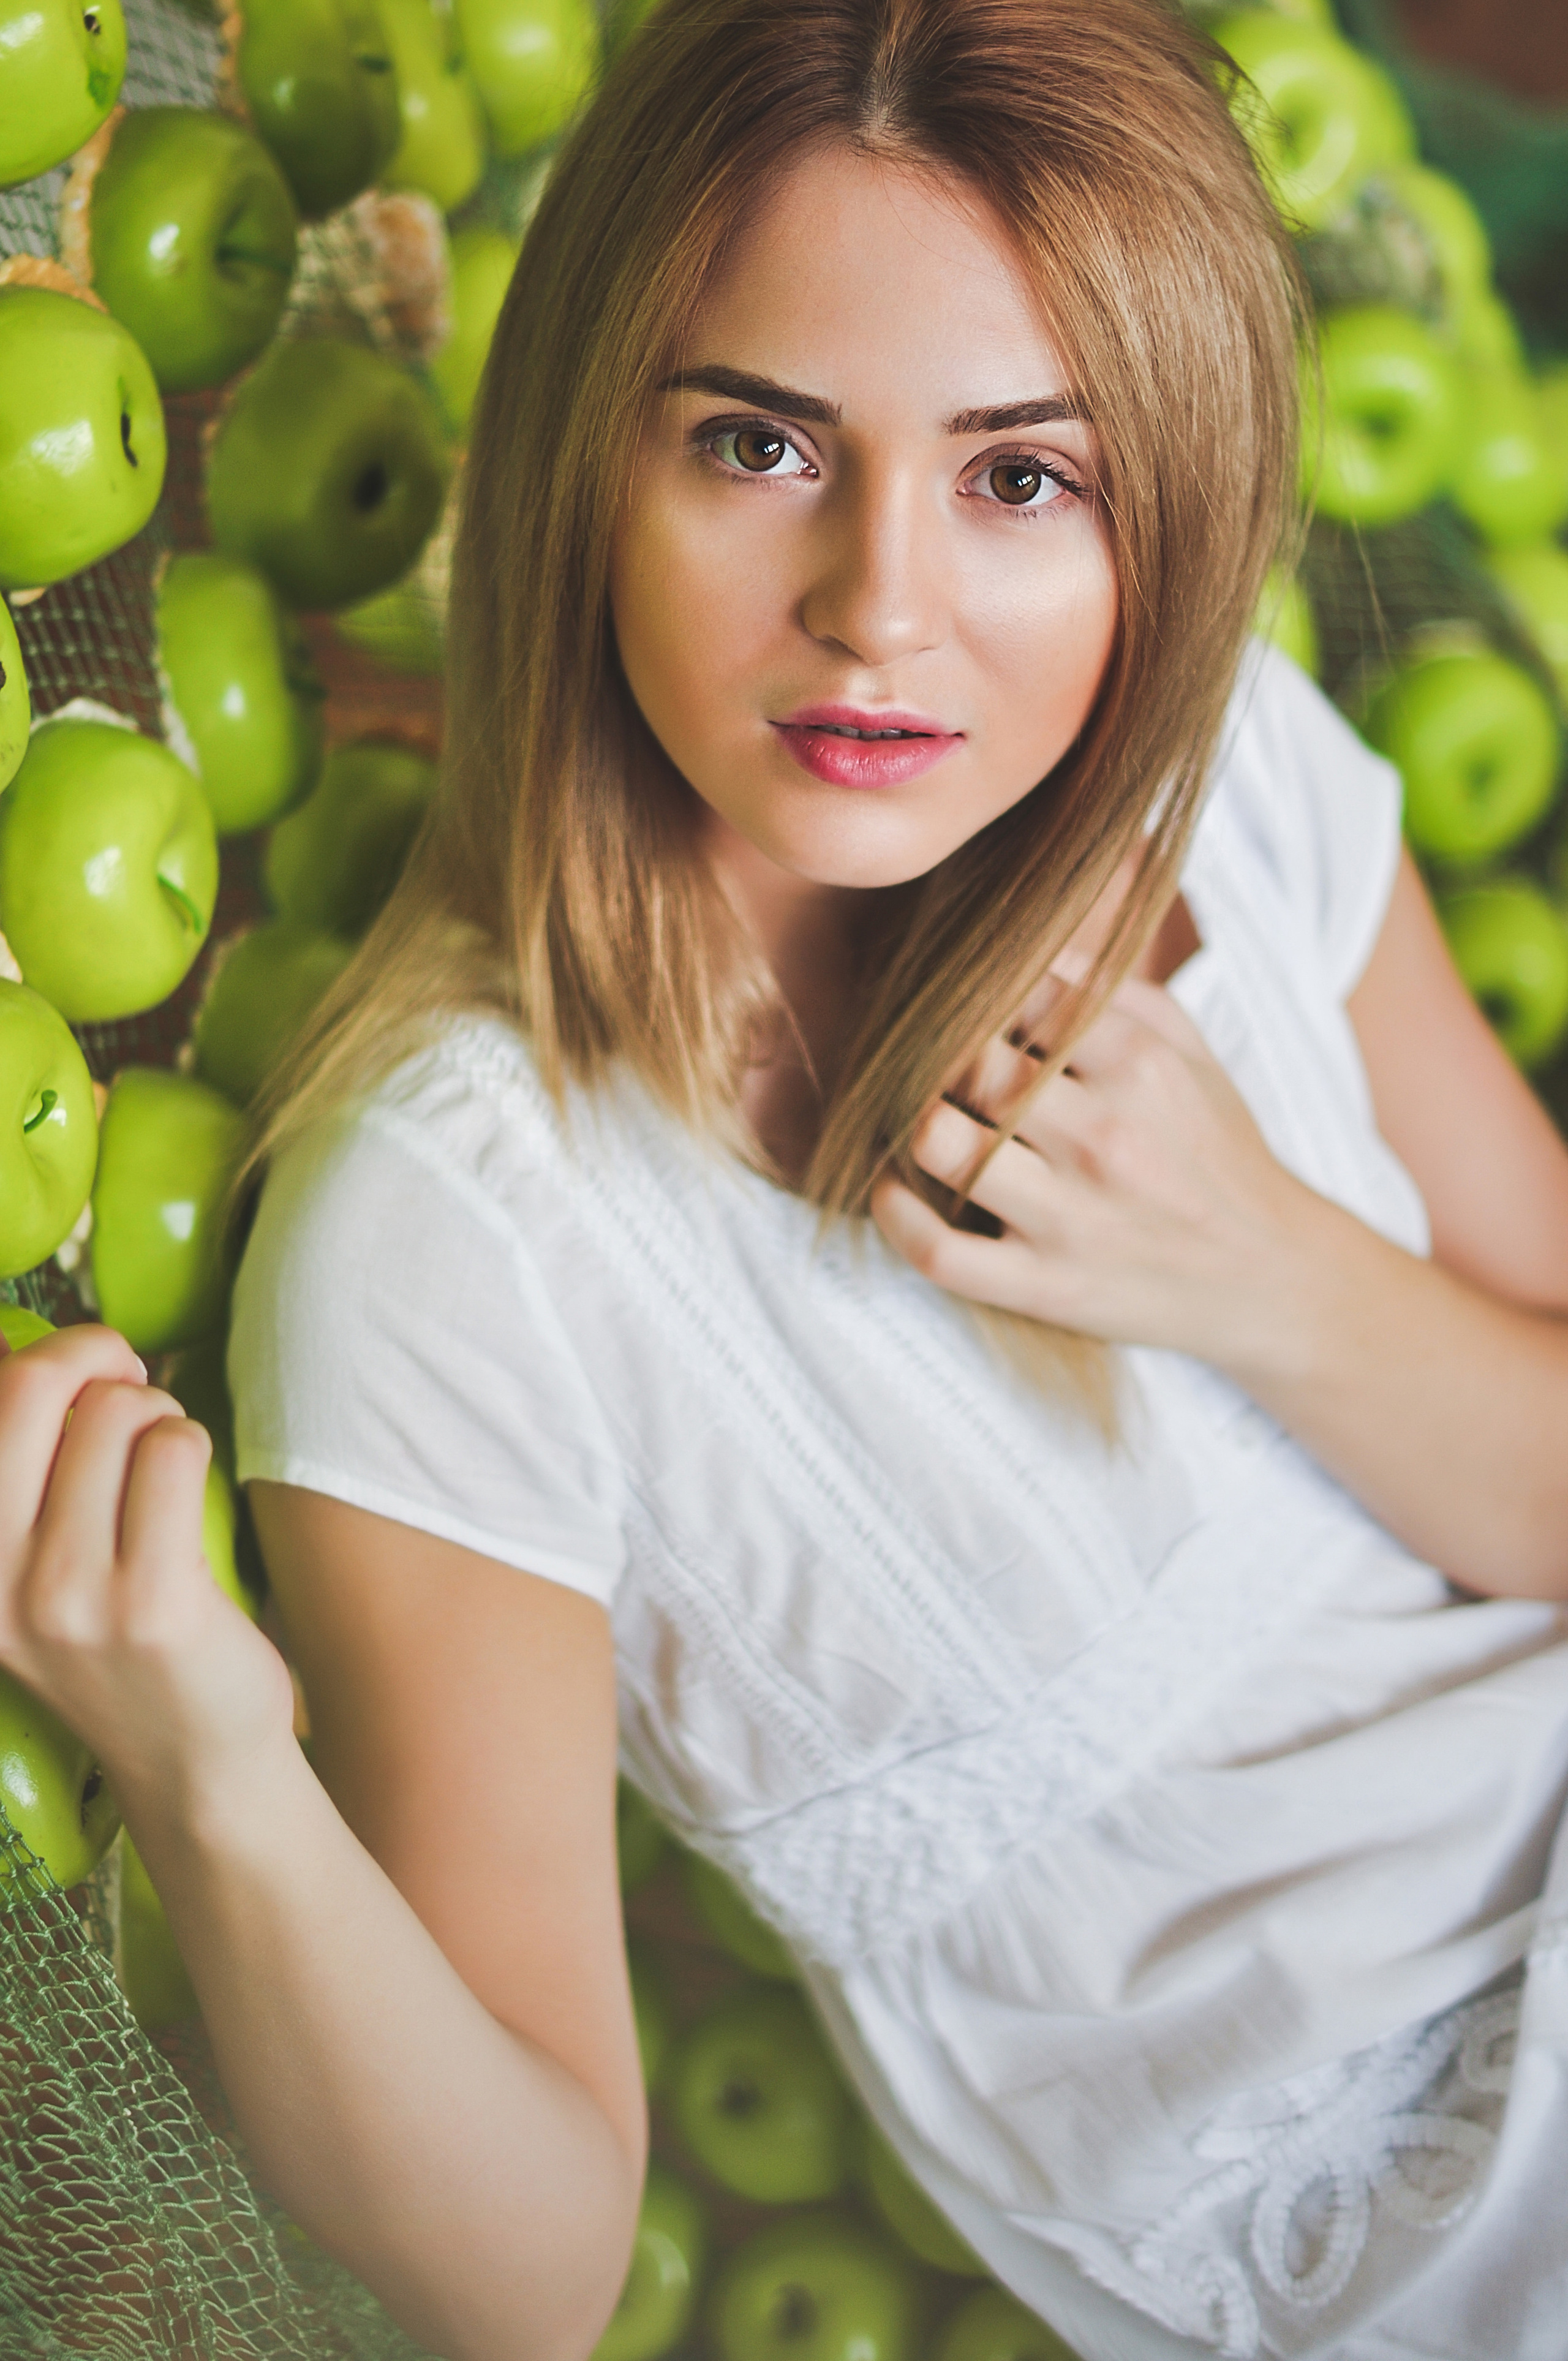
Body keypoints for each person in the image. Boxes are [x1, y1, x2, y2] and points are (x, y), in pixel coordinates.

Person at [4, 0, 1568, 2354]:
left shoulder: (1220, 765)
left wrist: (1269, 1268)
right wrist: (213, 1769)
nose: (884, 606)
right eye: (760, 442)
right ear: (580, 455)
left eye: (1023, 478)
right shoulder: (464, 1223)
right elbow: (528, 2271)